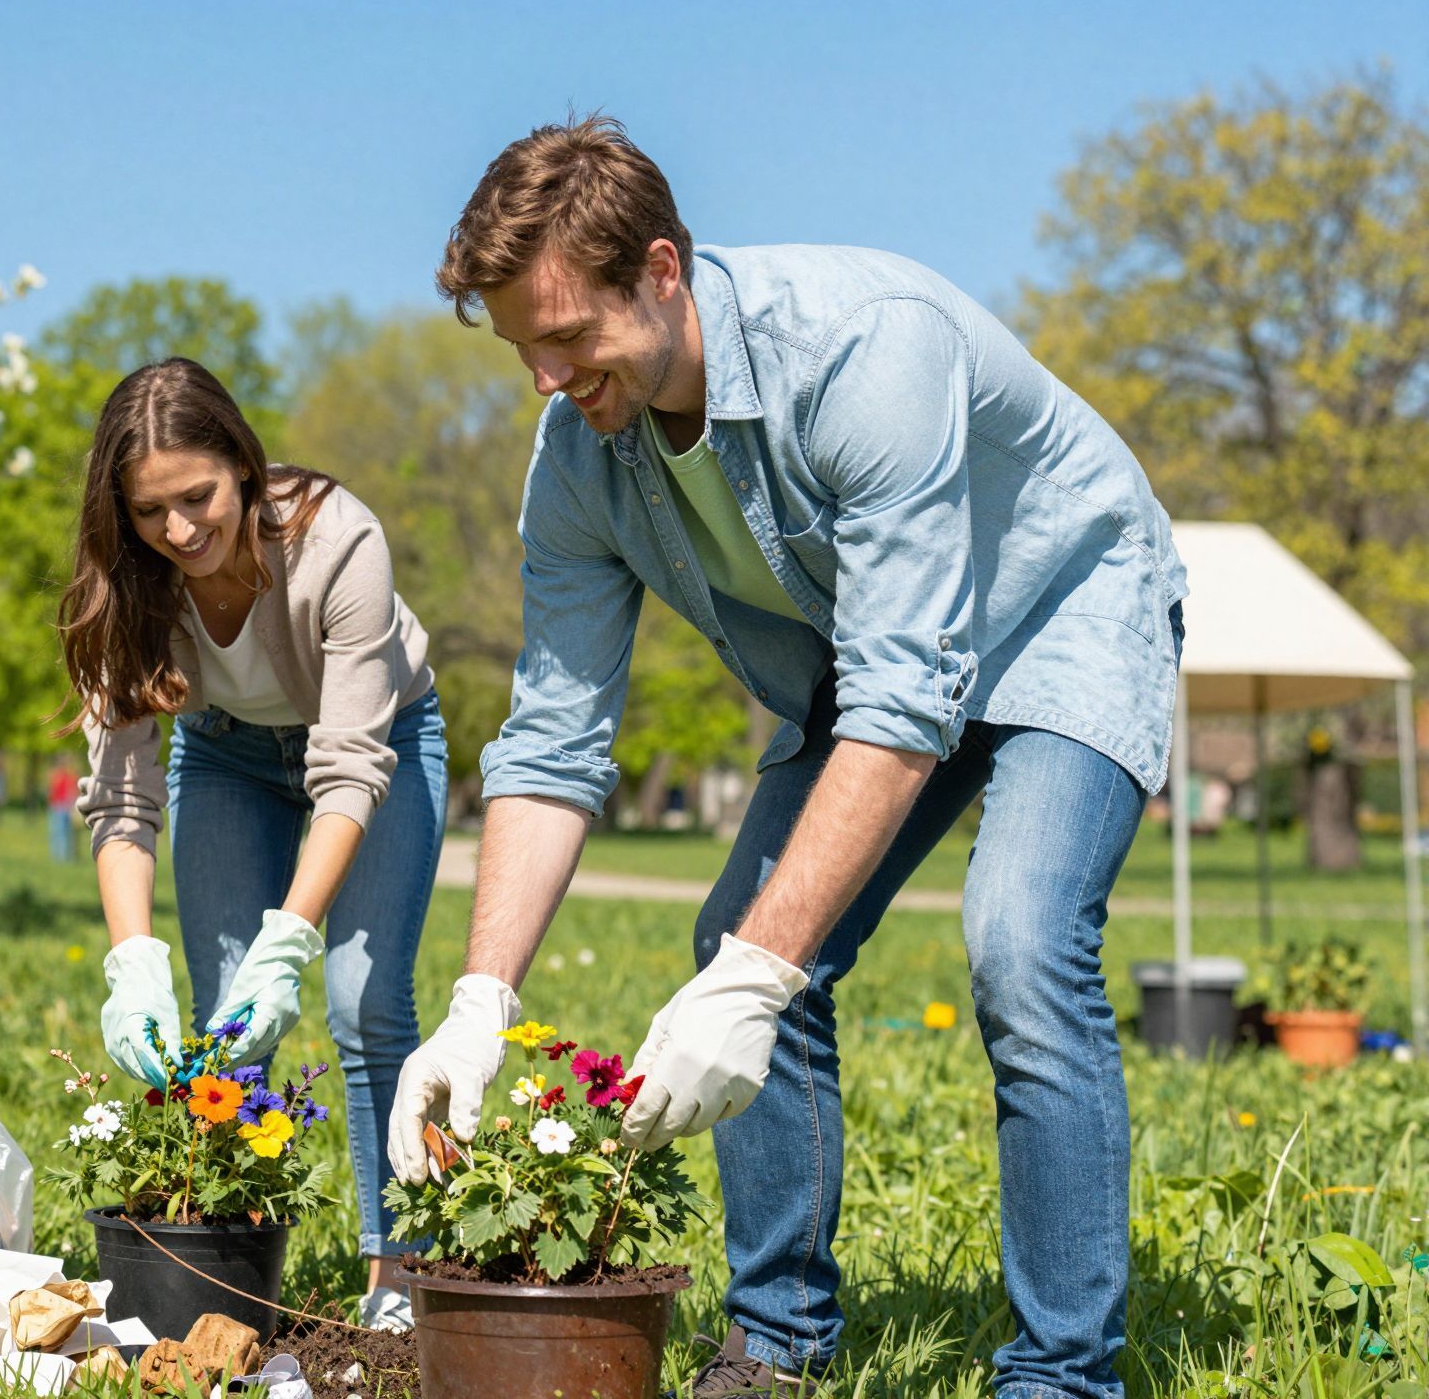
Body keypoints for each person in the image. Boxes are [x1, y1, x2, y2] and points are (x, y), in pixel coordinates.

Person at [389, 117, 1187, 1399]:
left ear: (659, 270)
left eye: (567, 338)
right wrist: (480, 1002)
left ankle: (1057, 1374)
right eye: (519, 346)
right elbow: (550, 741)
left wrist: (763, 971)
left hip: (1061, 608)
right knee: (737, 943)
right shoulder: (578, 458)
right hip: (876, 648)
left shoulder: (865, 350)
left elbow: (903, 698)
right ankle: (773, 1345)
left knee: (1020, 941)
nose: (543, 379)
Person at [63, 358, 445, 1331]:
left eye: (197, 497)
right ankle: (231, 1282)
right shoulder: (124, 584)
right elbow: (119, 794)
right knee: (226, 1029)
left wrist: (292, 940)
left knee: (362, 1003)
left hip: (379, 743)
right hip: (227, 759)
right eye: (151, 512)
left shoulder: (337, 539)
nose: (180, 531)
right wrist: (128, 960)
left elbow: (349, 767)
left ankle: (395, 1271)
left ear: (240, 463)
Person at [47, 755, 81, 862]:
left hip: (67, 806)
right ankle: (59, 857)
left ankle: (65, 856)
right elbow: (52, 790)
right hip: (58, 806)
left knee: (66, 833)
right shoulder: (56, 775)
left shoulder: (71, 775)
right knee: (59, 832)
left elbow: (75, 791)